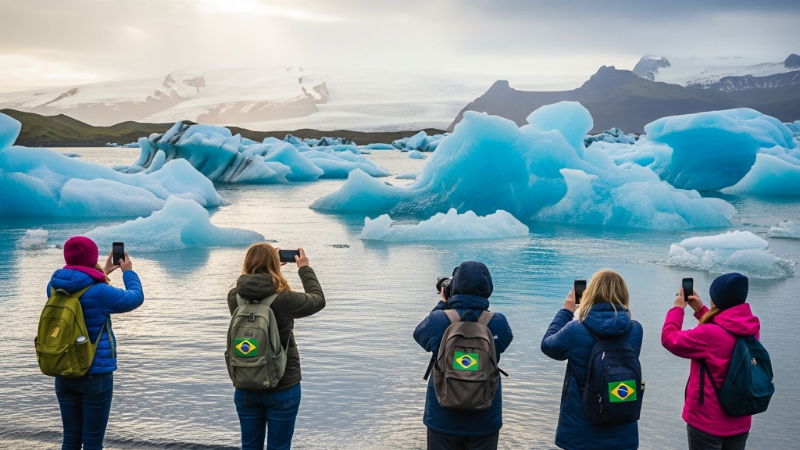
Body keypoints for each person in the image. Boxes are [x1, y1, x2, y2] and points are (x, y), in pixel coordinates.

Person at [48, 236, 144, 450]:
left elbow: (79, 285)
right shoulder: (100, 292)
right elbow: (135, 297)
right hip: (95, 374)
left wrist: (103, 273)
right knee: (92, 441)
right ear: (92, 258)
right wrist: (128, 271)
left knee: (70, 439)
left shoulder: (54, 287)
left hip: (64, 371)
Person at [227, 243, 325, 450]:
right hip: (283, 385)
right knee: (279, 447)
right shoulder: (284, 298)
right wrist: (304, 268)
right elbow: (318, 300)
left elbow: (250, 287)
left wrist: (267, 268)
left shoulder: (234, 297)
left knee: (250, 446)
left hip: (245, 384)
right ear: (274, 264)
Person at [413, 261, 513, 450]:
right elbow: (503, 343)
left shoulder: (438, 320)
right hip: (484, 419)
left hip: (442, 419)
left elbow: (420, 335)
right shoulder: (498, 322)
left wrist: (442, 304)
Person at [540, 269, 643, 450]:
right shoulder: (635, 329)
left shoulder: (575, 329)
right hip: (622, 429)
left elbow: (548, 346)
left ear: (591, 293)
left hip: (581, 432)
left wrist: (566, 311)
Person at [661, 273, 758, 450]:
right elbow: (726, 328)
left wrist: (677, 309)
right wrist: (700, 311)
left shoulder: (708, 335)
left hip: (707, 422)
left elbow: (670, 339)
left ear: (717, 300)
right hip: (740, 419)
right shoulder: (751, 329)